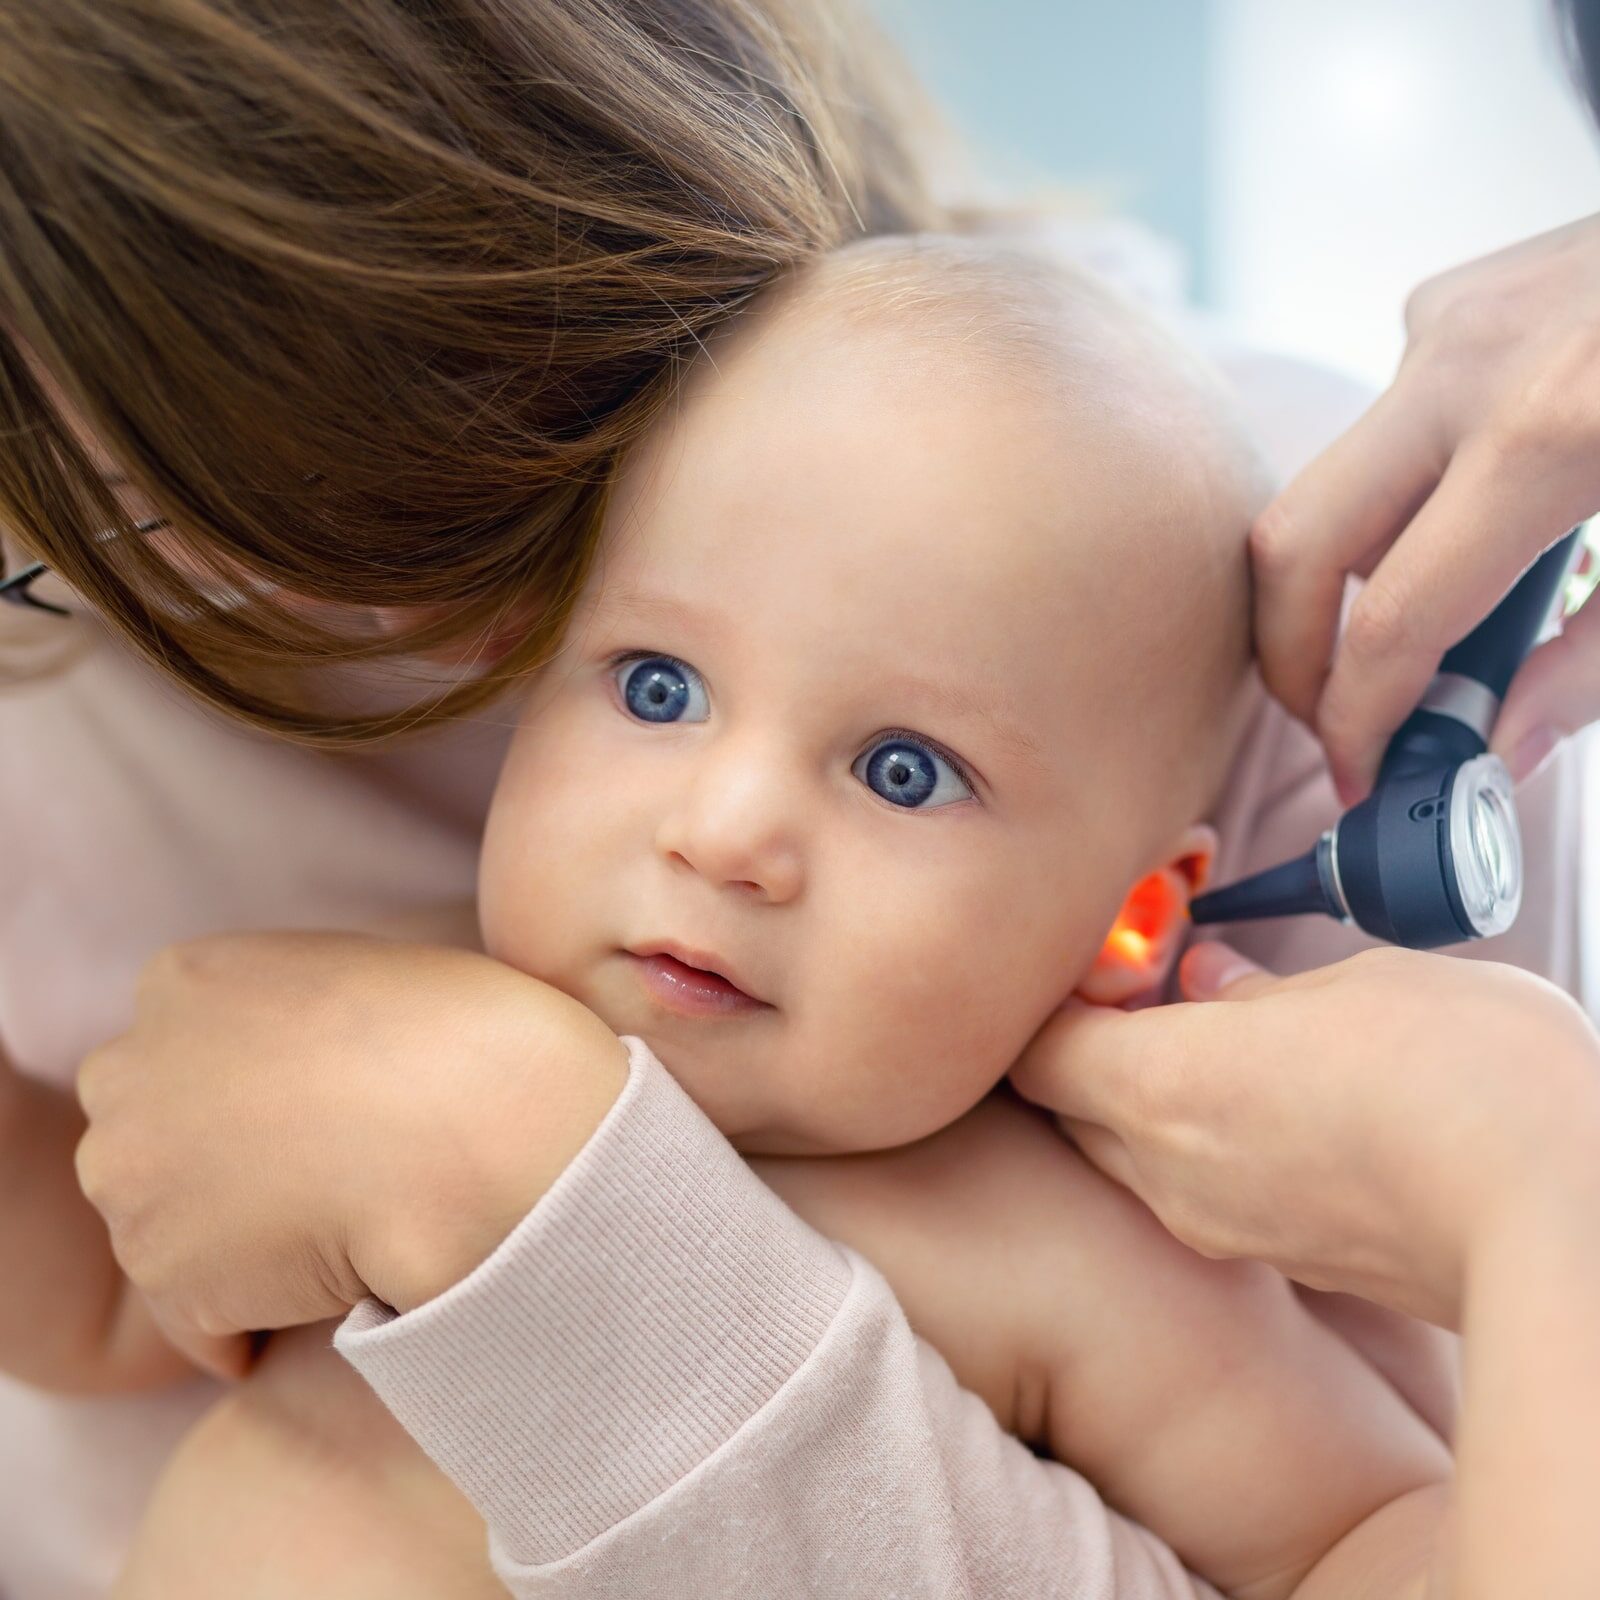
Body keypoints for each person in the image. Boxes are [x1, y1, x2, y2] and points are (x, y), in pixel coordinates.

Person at [4, 3, 1598, 1599]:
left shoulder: (1076, 1251)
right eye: (654, 689)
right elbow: (109, 1287)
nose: (729, 832)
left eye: (905, 772)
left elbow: (1379, 1546)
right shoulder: (369, 1017)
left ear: (1141, 912)